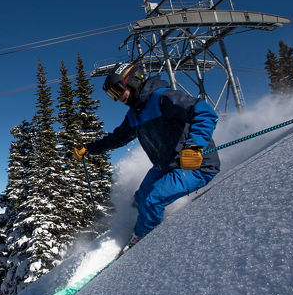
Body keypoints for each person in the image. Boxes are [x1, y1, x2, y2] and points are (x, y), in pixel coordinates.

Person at [70, 62, 221, 249]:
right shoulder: (135, 114)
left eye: (118, 91)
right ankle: (133, 227)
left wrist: (194, 146)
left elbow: (205, 112)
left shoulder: (161, 98)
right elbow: (117, 138)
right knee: (139, 199)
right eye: (112, 95)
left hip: (195, 166)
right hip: (165, 167)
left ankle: (143, 244)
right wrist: (89, 148)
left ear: (133, 80)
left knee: (152, 200)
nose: (118, 98)